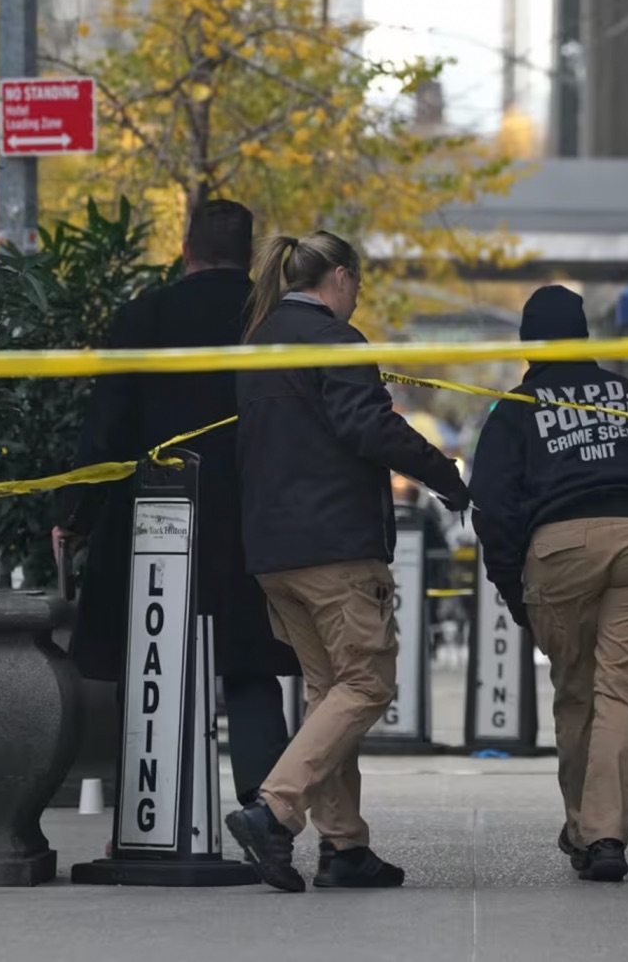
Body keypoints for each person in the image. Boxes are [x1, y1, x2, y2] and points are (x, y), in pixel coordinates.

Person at [224, 231, 469, 893]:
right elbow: (368, 427)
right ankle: (274, 811)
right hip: (334, 546)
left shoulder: (260, 341)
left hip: (273, 551)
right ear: (338, 277)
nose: (355, 298)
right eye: (355, 285)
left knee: (327, 693)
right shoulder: (336, 341)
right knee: (366, 685)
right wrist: (443, 474)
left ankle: (345, 846)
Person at [469, 285, 628, 883]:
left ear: (527, 345)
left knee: (579, 692)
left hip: (560, 549)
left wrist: (513, 591)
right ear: (585, 338)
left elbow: (494, 508)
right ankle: (602, 833)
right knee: (626, 691)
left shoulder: (515, 408)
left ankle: (588, 826)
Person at [52, 198, 301, 812]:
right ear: (251, 256)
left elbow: (106, 428)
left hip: (154, 520)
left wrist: (74, 514)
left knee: (151, 662)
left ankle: (151, 809)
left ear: (184, 251)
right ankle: (263, 814)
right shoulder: (270, 319)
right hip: (251, 521)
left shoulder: (143, 317)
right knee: (250, 672)